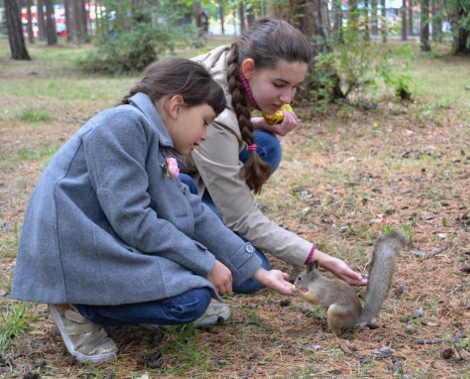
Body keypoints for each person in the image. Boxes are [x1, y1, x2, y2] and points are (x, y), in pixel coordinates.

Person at [10, 57, 294, 364]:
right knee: (191, 300)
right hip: (76, 254)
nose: (205, 135)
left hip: (105, 239)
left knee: (194, 280)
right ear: (176, 106)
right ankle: (78, 306)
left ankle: (135, 300)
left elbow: (193, 212)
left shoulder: (153, 136)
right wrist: (206, 263)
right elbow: (135, 221)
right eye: (205, 121)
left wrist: (256, 269)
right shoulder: (122, 125)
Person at [180, 18, 368, 294]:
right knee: (253, 270)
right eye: (280, 84)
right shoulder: (214, 105)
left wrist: (258, 124)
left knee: (266, 145)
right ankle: (202, 222)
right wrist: (320, 258)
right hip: (170, 187)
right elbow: (243, 218)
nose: (287, 97)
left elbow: (226, 128)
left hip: (193, 165)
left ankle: (214, 213)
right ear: (249, 69)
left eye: (294, 87)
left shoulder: (230, 59)